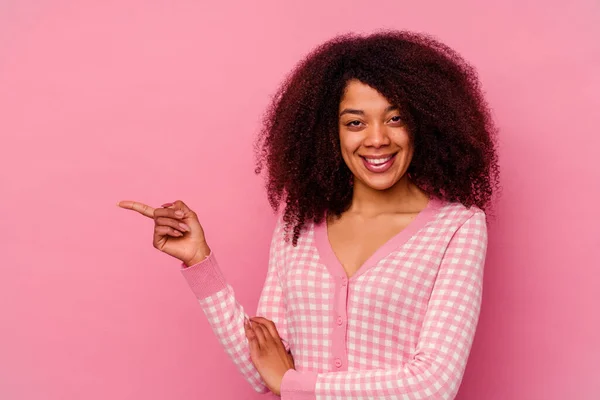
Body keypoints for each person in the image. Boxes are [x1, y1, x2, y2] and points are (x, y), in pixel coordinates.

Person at [118, 30, 500, 399]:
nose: (377, 138)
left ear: (424, 123)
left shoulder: (457, 227)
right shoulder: (298, 223)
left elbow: (432, 386)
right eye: (355, 122)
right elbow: (264, 369)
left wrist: (297, 385)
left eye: (396, 118)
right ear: (328, 133)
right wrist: (199, 261)